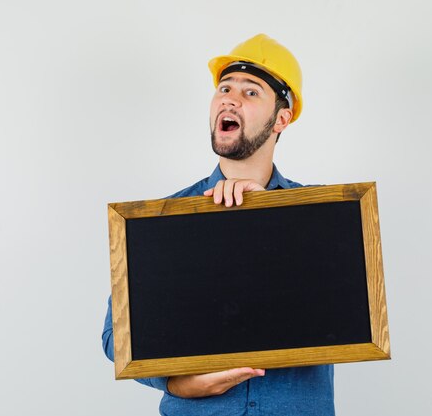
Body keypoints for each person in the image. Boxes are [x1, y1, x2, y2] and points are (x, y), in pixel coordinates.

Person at [102, 33, 335, 416]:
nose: (229, 98)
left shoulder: (323, 219)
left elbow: (349, 308)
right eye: (224, 88)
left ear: (282, 118)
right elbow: (116, 337)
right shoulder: (163, 220)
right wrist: (179, 383)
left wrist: (267, 217)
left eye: (250, 92)